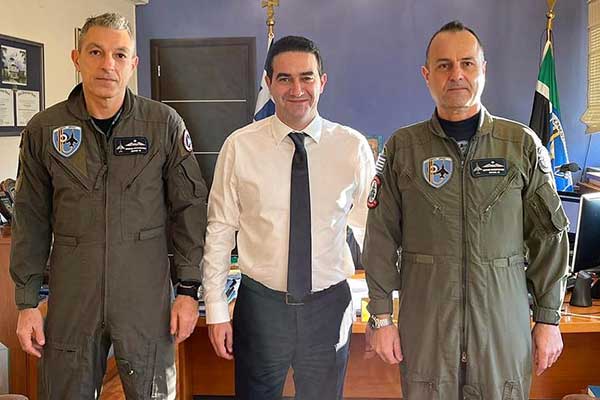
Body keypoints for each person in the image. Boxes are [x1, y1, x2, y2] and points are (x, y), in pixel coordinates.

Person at [362, 21, 569, 400]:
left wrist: (548, 318)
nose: (456, 74)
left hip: (501, 330)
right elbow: (379, 237)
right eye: (443, 65)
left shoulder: (520, 145)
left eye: (467, 63)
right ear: (427, 75)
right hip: (427, 329)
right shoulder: (402, 149)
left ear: (483, 70)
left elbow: (549, 238)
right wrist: (381, 316)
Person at [10, 13, 207, 399]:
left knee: (152, 392)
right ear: (76, 58)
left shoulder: (162, 125)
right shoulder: (44, 130)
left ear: (133, 63)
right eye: (96, 52)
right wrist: (27, 302)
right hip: (73, 294)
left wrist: (187, 290)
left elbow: (190, 208)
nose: (107, 65)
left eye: (119, 55)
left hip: (144, 295)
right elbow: (29, 219)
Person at [202, 35, 375, 400]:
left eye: (306, 77)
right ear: (268, 83)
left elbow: (371, 232)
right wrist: (216, 310)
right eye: (284, 78)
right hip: (261, 307)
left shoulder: (352, 147)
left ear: (322, 82)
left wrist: (381, 309)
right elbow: (220, 230)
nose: (297, 89)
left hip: (329, 308)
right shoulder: (240, 146)